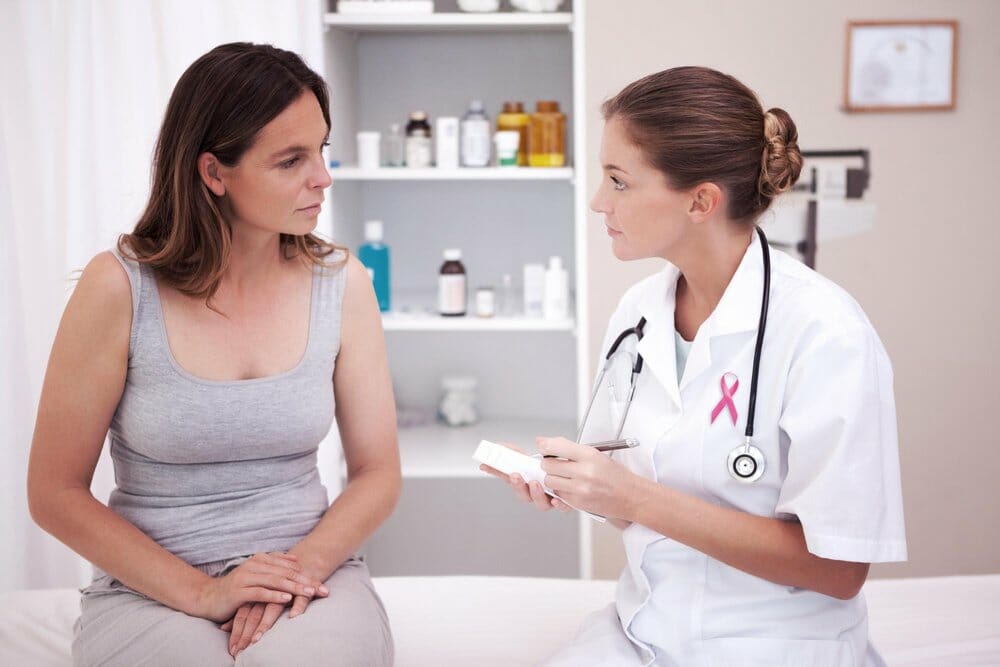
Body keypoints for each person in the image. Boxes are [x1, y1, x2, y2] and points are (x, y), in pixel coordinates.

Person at [483, 66, 907, 666]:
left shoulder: (825, 332)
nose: (599, 203)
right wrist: (579, 487)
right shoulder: (639, 313)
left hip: (774, 647)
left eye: (619, 182)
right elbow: (630, 489)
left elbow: (839, 569)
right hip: (642, 629)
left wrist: (633, 499)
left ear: (701, 200)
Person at [27, 42, 400, 666]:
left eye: (322, 151)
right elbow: (54, 492)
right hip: (153, 588)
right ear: (213, 173)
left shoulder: (344, 283)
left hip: (308, 572)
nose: (323, 178)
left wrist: (288, 574)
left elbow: (378, 472)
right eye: (291, 161)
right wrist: (206, 593)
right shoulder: (119, 287)